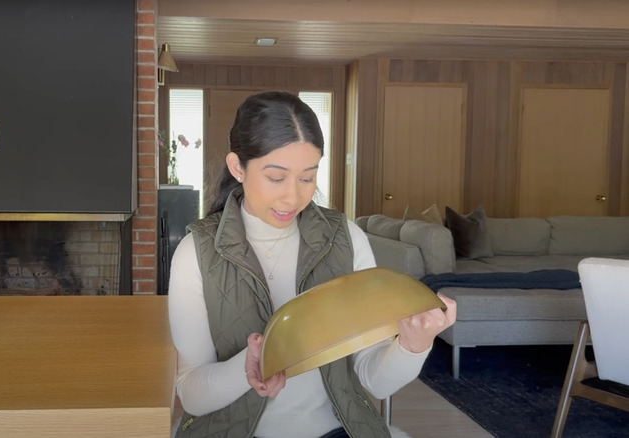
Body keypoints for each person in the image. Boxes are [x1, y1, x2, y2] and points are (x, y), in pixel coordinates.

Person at [168, 91, 457, 438]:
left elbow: (374, 381)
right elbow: (192, 395)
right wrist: (245, 368)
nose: (293, 196)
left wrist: (413, 345)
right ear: (237, 168)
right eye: (276, 178)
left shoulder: (346, 239)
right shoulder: (196, 252)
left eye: (307, 177)